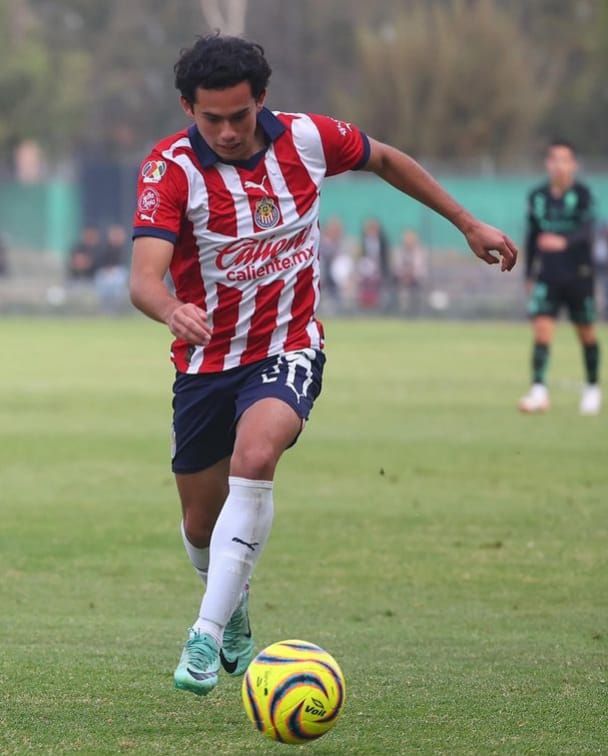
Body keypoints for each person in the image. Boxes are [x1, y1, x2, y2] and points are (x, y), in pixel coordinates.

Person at [129, 34, 517, 697]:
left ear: (263, 101)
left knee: (257, 455)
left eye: (239, 116)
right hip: (204, 362)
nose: (224, 131)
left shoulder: (310, 140)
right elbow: (144, 279)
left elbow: (388, 160)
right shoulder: (169, 170)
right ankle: (235, 606)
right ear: (186, 107)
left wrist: (466, 222)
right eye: (209, 118)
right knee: (200, 524)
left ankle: (205, 635)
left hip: (289, 346)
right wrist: (170, 311)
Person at [519, 140, 601, 415]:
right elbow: (532, 238)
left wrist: (562, 242)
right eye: (554, 159)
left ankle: (592, 387)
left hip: (579, 274)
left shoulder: (584, 195)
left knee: (586, 333)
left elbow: (587, 232)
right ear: (547, 163)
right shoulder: (537, 197)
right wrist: (528, 272)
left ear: (573, 165)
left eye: (565, 159)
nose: (559, 165)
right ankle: (539, 390)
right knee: (542, 330)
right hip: (548, 274)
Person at [394, 228, 429, 316]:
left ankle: (416, 311)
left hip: (416, 279)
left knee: (416, 287)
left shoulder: (419, 252)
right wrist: (404, 275)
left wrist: (411, 274)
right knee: (401, 289)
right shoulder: (400, 251)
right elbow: (397, 267)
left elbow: (420, 268)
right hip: (403, 279)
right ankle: (402, 312)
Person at [358, 219, 391, 310]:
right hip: (366, 266)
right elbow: (360, 256)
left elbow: (385, 258)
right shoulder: (363, 241)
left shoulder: (382, 241)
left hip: (379, 267)